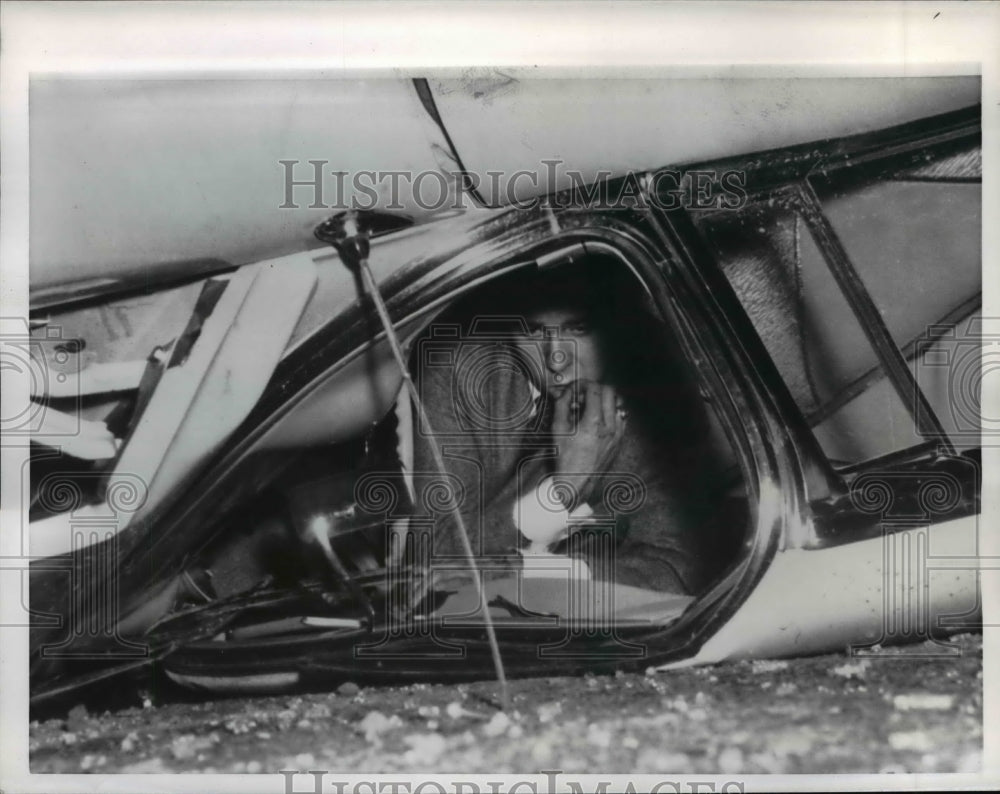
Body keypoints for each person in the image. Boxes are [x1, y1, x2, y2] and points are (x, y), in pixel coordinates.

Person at [410, 258, 720, 595]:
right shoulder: (459, 367)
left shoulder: (660, 378)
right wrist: (561, 489)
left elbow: (679, 568)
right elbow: (433, 559)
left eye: (579, 328)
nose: (556, 359)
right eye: (533, 330)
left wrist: (529, 571)